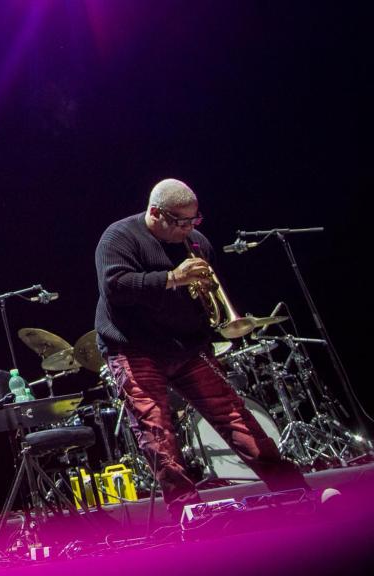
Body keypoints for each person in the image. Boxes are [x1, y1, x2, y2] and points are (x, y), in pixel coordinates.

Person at [93, 178, 308, 521]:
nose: (188, 229)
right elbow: (115, 287)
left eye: (194, 220)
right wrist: (172, 279)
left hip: (188, 348)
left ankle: (292, 490)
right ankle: (189, 512)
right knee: (157, 434)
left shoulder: (196, 243)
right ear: (155, 213)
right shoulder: (119, 237)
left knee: (237, 418)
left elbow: (207, 299)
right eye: (180, 222)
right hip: (134, 349)